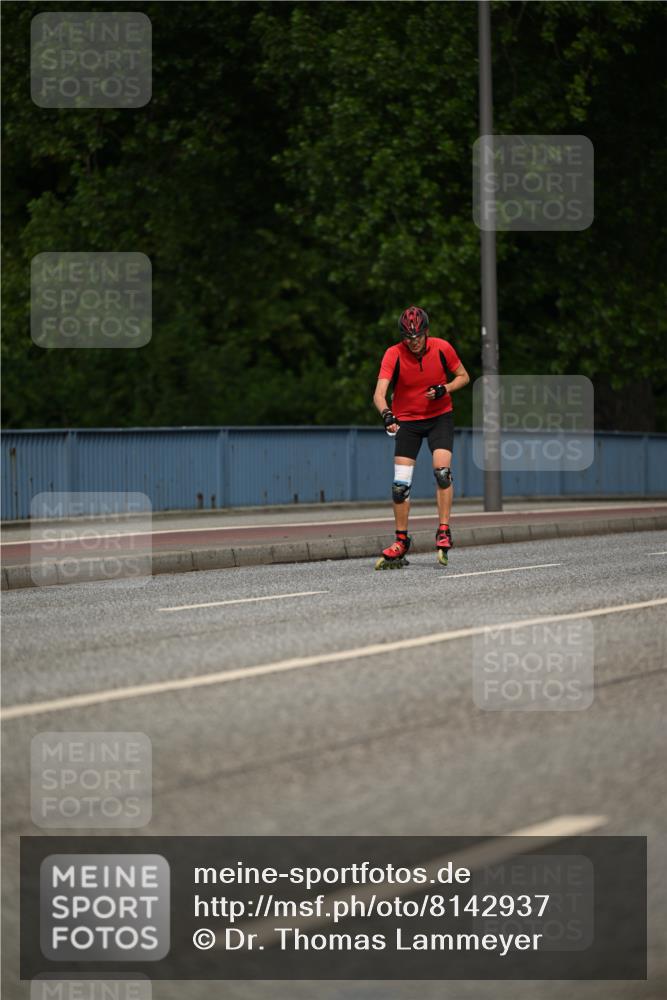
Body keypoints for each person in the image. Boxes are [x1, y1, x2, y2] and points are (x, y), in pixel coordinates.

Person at [372, 306, 470, 569]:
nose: (413, 342)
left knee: (442, 472)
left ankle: (444, 530)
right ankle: (401, 541)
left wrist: (444, 389)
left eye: (417, 337)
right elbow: (379, 393)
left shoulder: (441, 348)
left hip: (439, 417)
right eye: (407, 337)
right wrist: (387, 415)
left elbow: (464, 376)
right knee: (399, 487)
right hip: (408, 423)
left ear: (426, 332)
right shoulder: (393, 353)